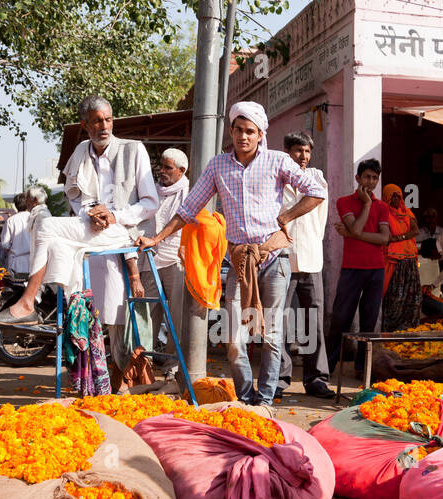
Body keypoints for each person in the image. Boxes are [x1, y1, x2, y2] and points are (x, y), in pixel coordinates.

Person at [137, 101, 326, 405]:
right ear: (231, 131)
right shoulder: (217, 166)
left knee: (271, 336)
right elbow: (188, 209)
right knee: (234, 340)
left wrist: (287, 217)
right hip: (238, 262)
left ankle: (264, 401)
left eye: (250, 131)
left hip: (273, 260)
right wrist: (156, 238)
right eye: (238, 130)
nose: (243, 137)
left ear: (261, 134)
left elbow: (317, 192)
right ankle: (246, 395)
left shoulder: (277, 161)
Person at [0, 96, 153, 368]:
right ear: (85, 124)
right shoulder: (80, 151)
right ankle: (32, 302)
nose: (104, 126)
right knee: (46, 227)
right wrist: (90, 212)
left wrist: (114, 215)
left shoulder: (133, 150)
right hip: (90, 229)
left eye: (108, 120)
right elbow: (76, 196)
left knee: (115, 314)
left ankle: (29, 300)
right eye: (97, 121)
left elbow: (150, 203)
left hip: (123, 231)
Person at [277, 132, 334, 398]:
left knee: (314, 321)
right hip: (281, 257)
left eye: (307, 151)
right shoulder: (275, 181)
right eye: (298, 150)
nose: (304, 156)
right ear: (287, 151)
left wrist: (310, 242)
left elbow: (320, 218)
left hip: (310, 257)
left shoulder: (317, 178)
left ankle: (316, 379)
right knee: (279, 321)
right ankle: (278, 378)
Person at [325, 159, 392, 376]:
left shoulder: (382, 206)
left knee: (369, 321)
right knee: (341, 317)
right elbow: (356, 226)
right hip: (352, 268)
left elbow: (383, 238)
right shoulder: (344, 201)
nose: (371, 182)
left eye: (374, 178)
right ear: (358, 178)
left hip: (376, 269)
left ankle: (362, 368)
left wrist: (354, 234)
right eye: (367, 177)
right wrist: (366, 205)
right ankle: (327, 366)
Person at [147, 148, 189, 374]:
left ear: (181, 171)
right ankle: (145, 360)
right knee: (149, 312)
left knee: (176, 315)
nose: (162, 171)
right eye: (161, 166)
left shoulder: (188, 192)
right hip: (152, 259)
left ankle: (173, 363)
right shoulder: (153, 191)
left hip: (176, 260)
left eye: (168, 168)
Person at [379, 183, 421, 332]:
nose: (396, 198)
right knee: (395, 298)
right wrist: (399, 238)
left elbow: (415, 230)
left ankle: (409, 329)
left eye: (398, 195)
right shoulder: (383, 213)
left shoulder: (407, 212)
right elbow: (386, 236)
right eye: (393, 195)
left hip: (409, 260)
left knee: (412, 299)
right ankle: (391, 331)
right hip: (394, 262)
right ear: (386, 197)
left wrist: (399, 237)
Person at [0, 192, 35, 274]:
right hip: (34, 262)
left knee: (16, 286)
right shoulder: (35, 219)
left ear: (15, 205)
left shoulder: (11, 220)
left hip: (16, 262)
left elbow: (5, 244)